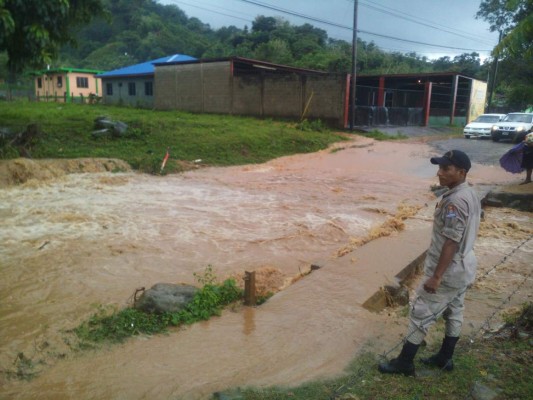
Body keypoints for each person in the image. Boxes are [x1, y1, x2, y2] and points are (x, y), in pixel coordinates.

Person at [378, 149, 481, 377]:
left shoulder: (455, 202)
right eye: (440, 167)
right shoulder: (470, 194)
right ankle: (445, 358)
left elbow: (451, 242)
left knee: (421, 313)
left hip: (448, 270)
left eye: (446, 169)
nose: (439, 173)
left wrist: (436, 276)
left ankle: (405, 362)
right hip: (465, 266)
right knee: (455, 310)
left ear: (461, 172)